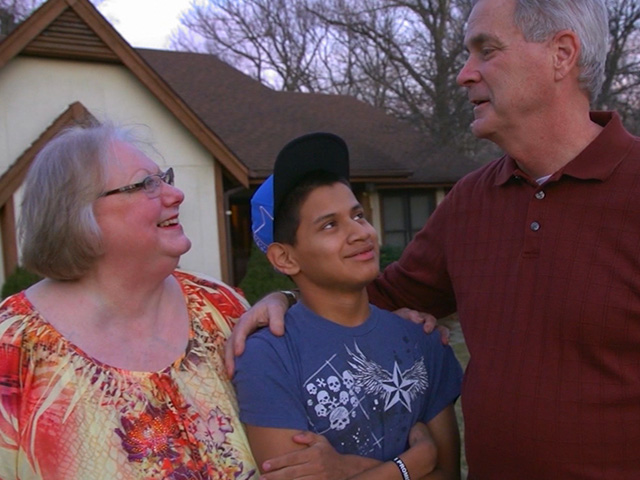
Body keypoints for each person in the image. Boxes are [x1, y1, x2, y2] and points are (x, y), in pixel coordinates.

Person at [227, 0, 640, 478]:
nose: (465, 74)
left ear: (562, 54)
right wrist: (284, 295)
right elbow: (369, 298)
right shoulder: (470, 204)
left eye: (487, 50)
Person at [0, 123, 259, 479]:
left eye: (164, 178)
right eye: (146, 185)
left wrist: (289, 301)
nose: (176, 194)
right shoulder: (13, 348)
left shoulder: (220, 307)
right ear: (77, 214)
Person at [233, 132, 463, 480]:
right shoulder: (269, 355)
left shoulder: (422, 339)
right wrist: (411, 465)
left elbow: (447, 473)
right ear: (285, 257)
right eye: (330, 225)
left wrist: (344, 470)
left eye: (358, 216)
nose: (360, 233)